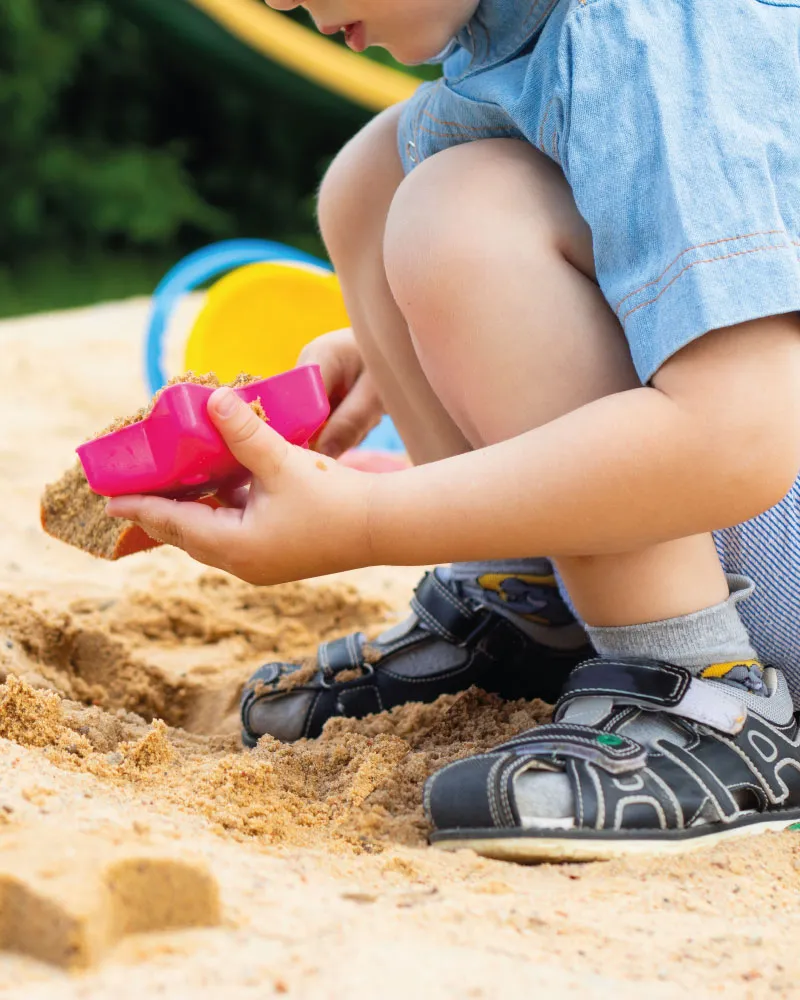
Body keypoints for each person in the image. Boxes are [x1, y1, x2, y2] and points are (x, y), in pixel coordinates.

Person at [108, 0, 800, 859]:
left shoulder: (648, 32)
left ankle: (700, 685)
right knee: (381, 173)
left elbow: (739, 440)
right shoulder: (529, 39)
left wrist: (366, 523)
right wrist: (406, 343)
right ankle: (526, 604)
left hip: (764, 525)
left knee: (456, 206)